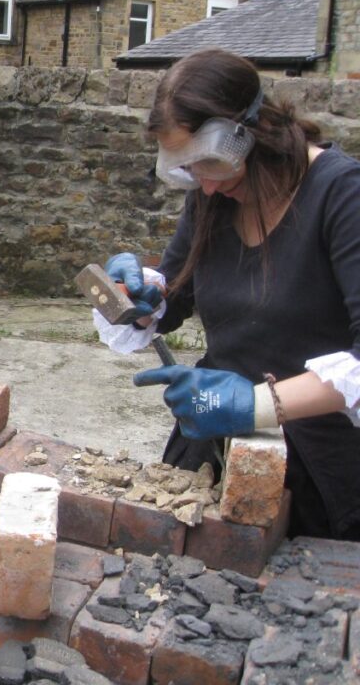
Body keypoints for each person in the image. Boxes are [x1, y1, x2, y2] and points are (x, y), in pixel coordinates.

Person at [95, 48, 360, 541]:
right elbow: (173, 296)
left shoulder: (342, 196)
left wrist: (258, 404)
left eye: (210, 164)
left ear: (252, 133)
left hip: (322, 471)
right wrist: (139, 297)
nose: (206, 187)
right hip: (215, 449)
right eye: (189, 169)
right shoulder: (213, 194)